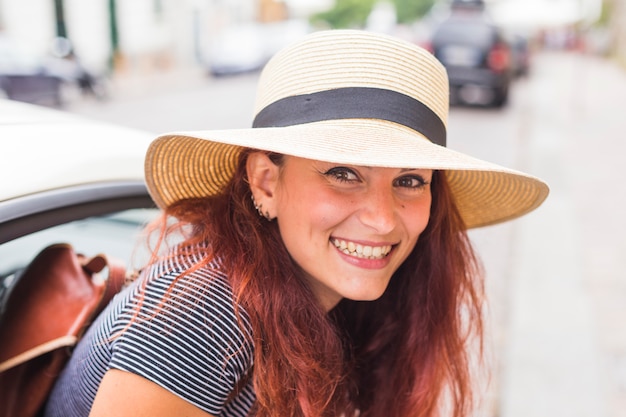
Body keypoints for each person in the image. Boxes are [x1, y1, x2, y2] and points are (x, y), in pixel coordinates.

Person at [45, 29, 548, 417]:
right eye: (343, 173)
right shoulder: (205, 314)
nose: (381, 217)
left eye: (411, 181)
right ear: (266, 182)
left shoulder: (347, 303)